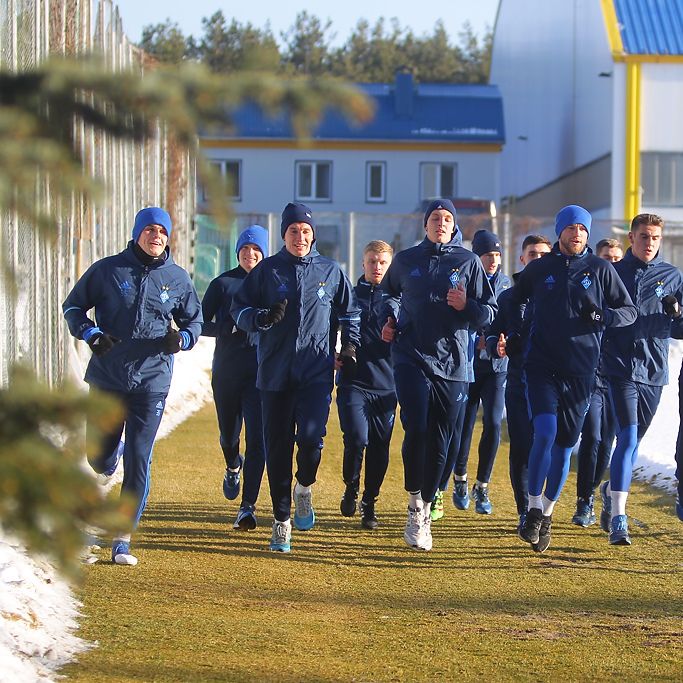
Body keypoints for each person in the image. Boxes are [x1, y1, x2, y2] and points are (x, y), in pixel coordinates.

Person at [62, 207, 203, 565]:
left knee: (140, 456)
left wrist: (183, 339)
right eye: (150, 230)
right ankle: (109, 457)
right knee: (99, 457)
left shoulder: (177, 278)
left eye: (162, 232)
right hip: (108, 377)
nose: (156, 236)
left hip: (152, 381)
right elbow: (74, 307)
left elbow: (195, 322)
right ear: (138, 232)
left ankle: (123, 538)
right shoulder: (108, 270)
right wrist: (91, 333)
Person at [232, 202, 361, 553]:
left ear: (313, 235)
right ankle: (281, 521)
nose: (299, 237)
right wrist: (260, 318)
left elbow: (350, 312)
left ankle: (304, 487)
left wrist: (349, 346)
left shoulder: (330, 271)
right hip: (273, 374)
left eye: (305, 231)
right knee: (276, 448)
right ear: (284, 234)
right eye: (293, 231)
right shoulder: (267, 271)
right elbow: (239, 308)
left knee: (309, 440)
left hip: (315, 373)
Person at [514, 205, 637, 553]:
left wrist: (604, 315)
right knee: (545, 433)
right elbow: (513, 301)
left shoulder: (600, 269)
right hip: (541, 367)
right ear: (560, 232)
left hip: (582, 371)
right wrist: (512, 334)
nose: (577, 234)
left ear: (587, 233)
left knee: (565, 445)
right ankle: (533, 509)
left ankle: (548, 513)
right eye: (570, 228)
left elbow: (629, 312)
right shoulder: (540, 269)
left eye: (582, 229)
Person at [381, 199, 497, 551]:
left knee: (442, 439)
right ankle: (416, 502)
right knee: (416, 426)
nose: (441, 223)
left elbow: (488, 313)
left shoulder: (468, 262)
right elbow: (386, 296)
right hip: (411, 355)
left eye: (447, 219)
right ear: (426, 225)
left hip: (455, 364)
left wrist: (467, 306)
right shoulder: (405, 260)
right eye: (435, 218)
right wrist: (387, 318)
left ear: (454, 225)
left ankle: (428, 503)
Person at [600, 214, 683, 544]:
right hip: (619, 368)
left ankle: (609, 490)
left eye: (655, 238)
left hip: (653, 371)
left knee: (633, 443)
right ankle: (620, 515)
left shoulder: (672, 276)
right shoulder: (613, 273)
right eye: (644, 236)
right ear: (631, 238)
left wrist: (676, 313)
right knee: (628, 438)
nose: (650, 243)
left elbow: (679, 329)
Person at [201, 225, 269, 531]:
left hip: (261, 375)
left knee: (259, 439)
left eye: (256, 250)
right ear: (237, 251)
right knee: (230, 436)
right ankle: (232, 464)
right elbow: (199, 323)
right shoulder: (222, 284)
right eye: (245, 249)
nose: (250, 254)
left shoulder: (273, 283)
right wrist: (224, 329)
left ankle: (248, 506)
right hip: (227, 372)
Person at [486, 234, 552, 530]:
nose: (537, 259)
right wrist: (495, 345)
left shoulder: (562, 293)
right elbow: (494, 331)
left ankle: (544, 508)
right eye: (532, 254)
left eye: (543, 254)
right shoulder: (509, 298)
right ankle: (526, 511)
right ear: (522, 259)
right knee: (522, 446)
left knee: (549, 445)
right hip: (518, 381)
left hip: (554, 383)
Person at [449, 230, 511, 517]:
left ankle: (482, 485)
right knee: (463, 423)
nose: (494, 261)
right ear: (477, 256)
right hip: (469, 365)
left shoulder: (507, 284)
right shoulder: (466, 276)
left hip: (497, 367)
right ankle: (459, 478)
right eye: (488, 256)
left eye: (497, 256)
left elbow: (511, 318)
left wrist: (505, 339)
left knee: (494, 423)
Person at [337, 241, 399, 530]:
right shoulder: (348, 295)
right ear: (362, 264)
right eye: (372, 261)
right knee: (357, 439)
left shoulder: (399, 297)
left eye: (382, 262)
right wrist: (332, 355)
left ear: (390, 265)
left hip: (387, 385)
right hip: (353, 381)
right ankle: (351, 485)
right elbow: (323, 328)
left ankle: (369, 502)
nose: (377, 267)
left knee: (379, 447)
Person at [571, 238, 624, 527]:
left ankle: (596, 490)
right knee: (591, 435)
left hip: (617, 375)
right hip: (588, 374)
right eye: (607, 257)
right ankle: (584, 501)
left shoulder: (621, 294)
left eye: (617, 258)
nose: (612, 263)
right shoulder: (586, 288)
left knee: (607, 440)